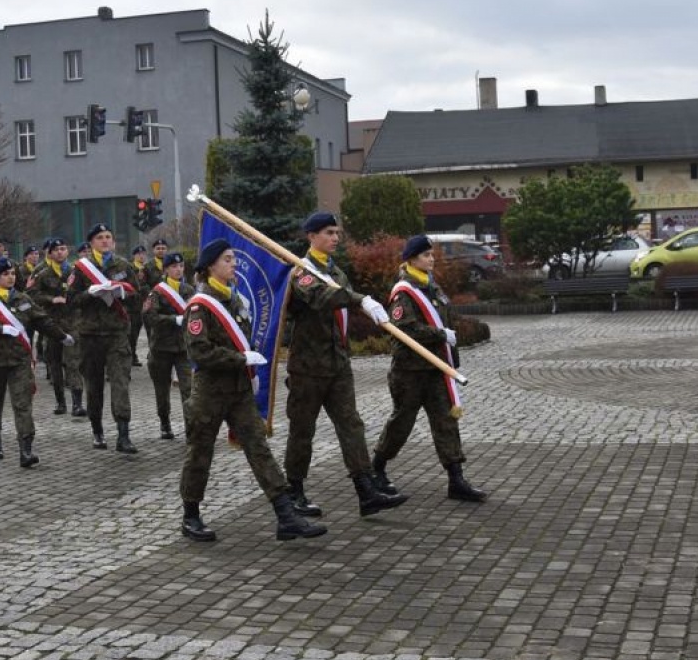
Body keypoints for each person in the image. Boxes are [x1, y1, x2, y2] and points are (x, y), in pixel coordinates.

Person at [179, 239, 326, 543]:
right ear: (211, 267)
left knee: (259, 448)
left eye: (233, 258)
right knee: (200, 452)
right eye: (227, 259)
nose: (234, 264)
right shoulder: (200, 305)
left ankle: (286, 516)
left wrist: (248, 358)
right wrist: (240, 359)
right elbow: (199, 352)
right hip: (210, 391)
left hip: (239, 391)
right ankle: (191, 516)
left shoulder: (236, 300)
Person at [282, 211, 409, 518]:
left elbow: (341, 302)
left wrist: (364, 305)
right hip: (308, 368)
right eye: (329, 232)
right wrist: (359, 299)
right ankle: (294, 491)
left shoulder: (337, 273)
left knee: (351, 425)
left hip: (338, 365)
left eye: (337, 233)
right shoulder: (302, 271)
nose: (335, 238)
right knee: (302, 431)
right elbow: (322, 297)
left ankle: (366, 491)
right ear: (311, 236)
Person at [370, 235, 488, 502]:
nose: (432, 259)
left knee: (446, 421)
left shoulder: (431, 286)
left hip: (435, 369)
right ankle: (377, 468)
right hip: (410, 372)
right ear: (412, 259)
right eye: (426, 255)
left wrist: (449, 343)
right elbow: (405, 329)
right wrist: (440, 334)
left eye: (431, 254)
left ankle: (456, 480)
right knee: (402, 423)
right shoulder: (404, 291)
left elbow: (444, 317)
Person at [0, 257, 71, 466]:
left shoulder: (23, 299)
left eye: (12, 274)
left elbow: (42, 320)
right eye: (5, 274)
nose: (10, 277)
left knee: (23, 404)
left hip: (19, 361)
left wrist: (62, 336)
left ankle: (26, 450)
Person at [67, 223, 139, 453]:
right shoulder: (81, 269)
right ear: (91, 243)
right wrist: (90, 293)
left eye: (108, 236)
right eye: (100, 237)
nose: (105, 240)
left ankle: (123, 435)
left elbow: (137, 294)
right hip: (90, 335)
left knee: (120, 384)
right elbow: (71, 300)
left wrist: (122, 293)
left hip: (117, 334)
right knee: (94, 386)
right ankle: (97, 430)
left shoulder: (123, 265)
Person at [26, 237, 83, 417]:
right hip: (52, 325)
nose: (60, 252)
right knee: (55, 364)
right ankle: (60, 402)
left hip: (72, 323)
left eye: (63, 249)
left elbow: (84, 292)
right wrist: (51, 299)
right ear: (50, 254)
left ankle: (77, 404)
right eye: (56, 250)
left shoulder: (76, 272)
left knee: (73, 363)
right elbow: (31, 295)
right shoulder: (42, 274)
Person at [142, 250, 193, 439]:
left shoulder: (189, 290)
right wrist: (173, 319)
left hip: (183, 348)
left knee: (189, 389)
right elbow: (149, 316)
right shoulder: (157, 292)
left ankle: (191, 428)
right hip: (161, 348)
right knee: (162, 390)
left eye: (181, 266)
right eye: (174, 266)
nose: (178, 269)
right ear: (166, 270)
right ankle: (164, 422)